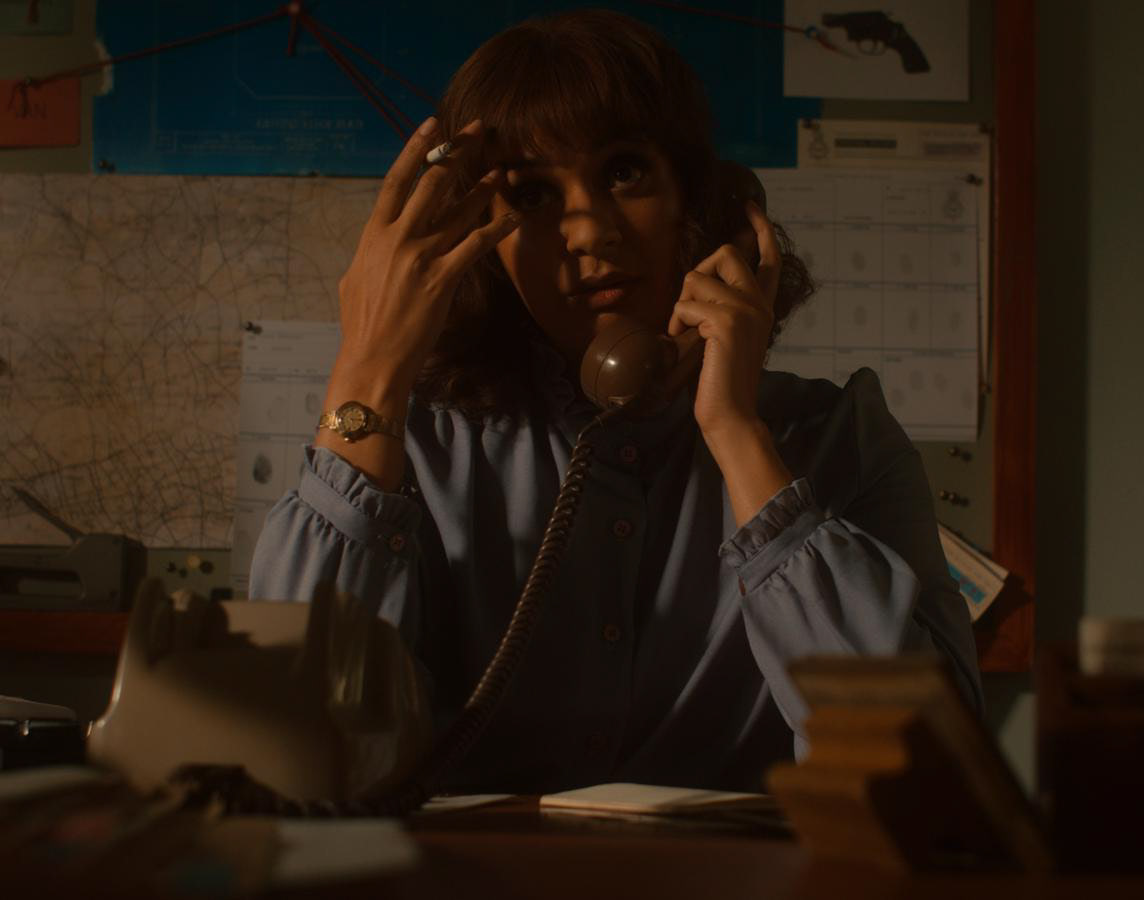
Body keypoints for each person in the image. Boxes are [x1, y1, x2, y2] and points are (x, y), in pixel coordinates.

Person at [250, 9, 980, 795]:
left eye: (625, 173)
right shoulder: (415, 445)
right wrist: (366, 373)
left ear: (699, 205)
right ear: (480, 239)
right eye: (533, 194)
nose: (590, 231)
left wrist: (738, 436)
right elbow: (294, 766)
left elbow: (933, 776)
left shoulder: (839, 437)